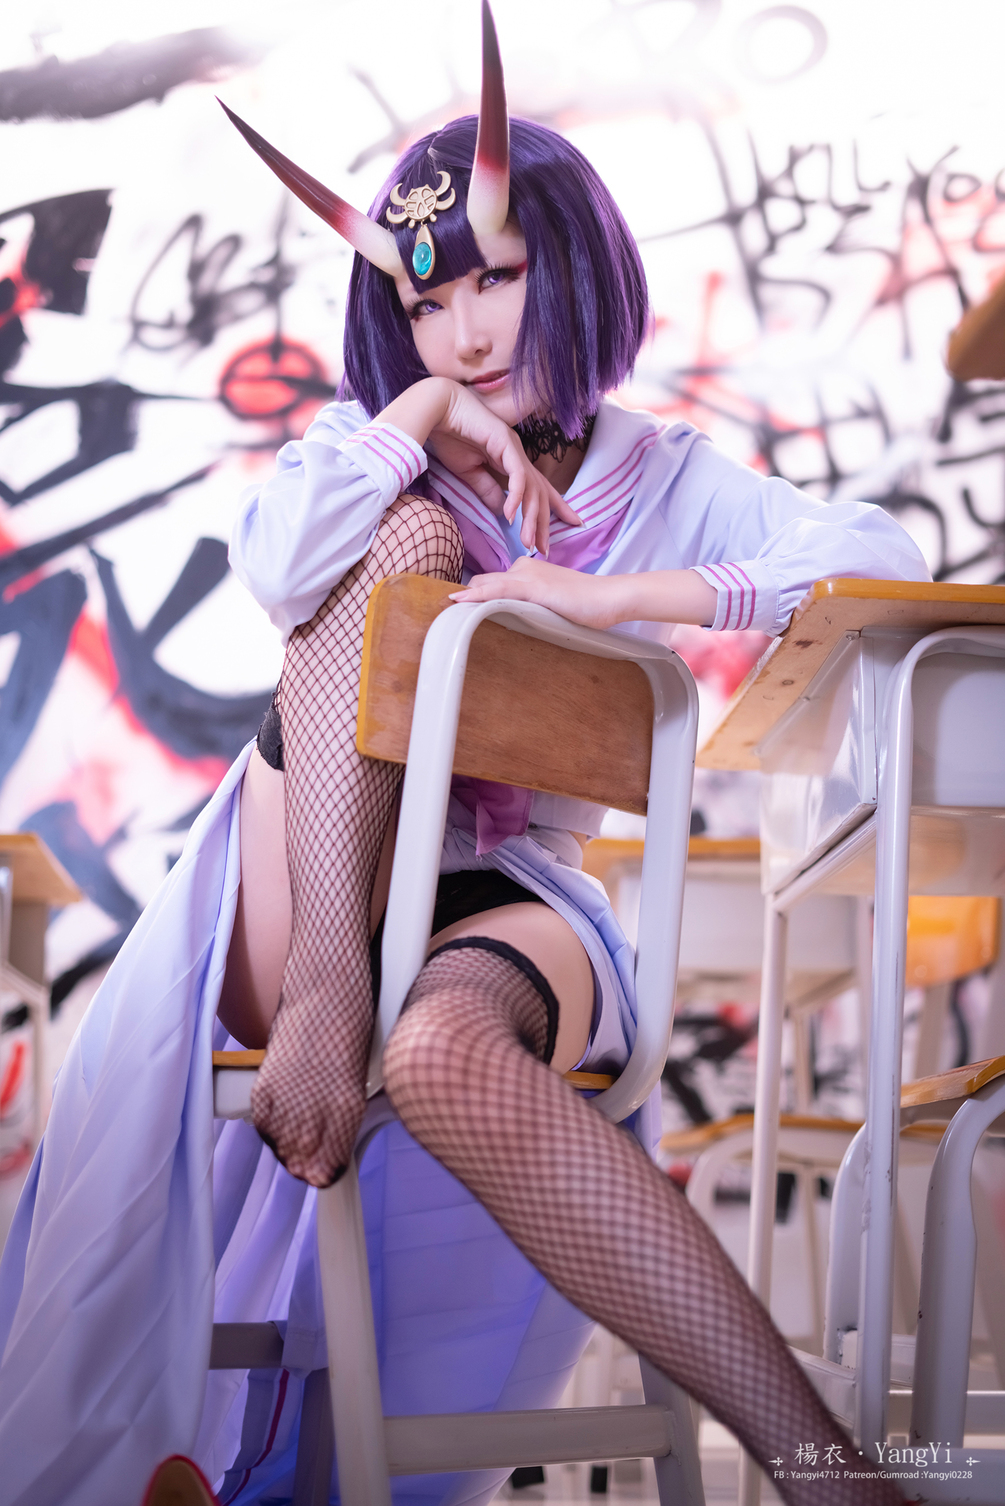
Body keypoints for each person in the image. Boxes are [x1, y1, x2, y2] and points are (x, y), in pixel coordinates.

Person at [0, 7, 927, 1504]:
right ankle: (329, 993)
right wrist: (414, 420)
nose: (470, 333)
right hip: (297, 892)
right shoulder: (378, 444)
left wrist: (618, 598)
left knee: (436, 1052)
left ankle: (826, 1472)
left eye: (498, 277)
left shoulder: (663, 476)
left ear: (573, 263)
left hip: (503, 897)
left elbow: (877, 554)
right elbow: (276, 564)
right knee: (406, 541)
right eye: (429, 306)